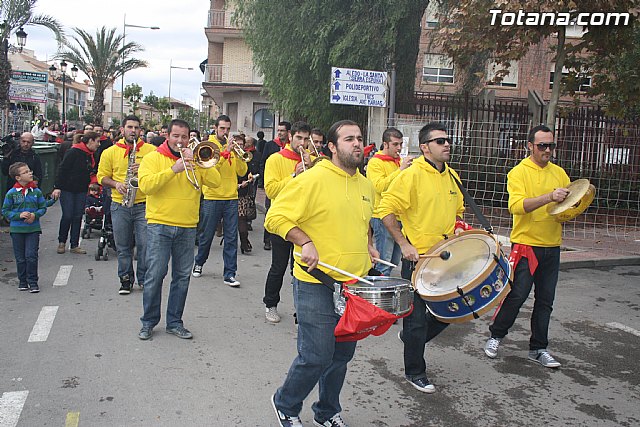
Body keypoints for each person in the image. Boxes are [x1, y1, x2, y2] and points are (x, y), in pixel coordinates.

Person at [267, 119, 377, 427]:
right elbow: (275, 217)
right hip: (315, 281)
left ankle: (327, 411)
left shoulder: (366, 185)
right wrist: (305, 241)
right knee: (316, 355)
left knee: (341, 356)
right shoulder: (312, 179)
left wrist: (368, 245)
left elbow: (363, 222)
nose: (357, 143)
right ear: (331, 146)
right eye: (349, 139)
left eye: (359, 138)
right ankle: (286, 404)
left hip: (353, 284)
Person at [378, 122, 465, 393]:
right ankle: (415, 372)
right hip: (418, 260)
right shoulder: (410, 176)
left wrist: (461, 229)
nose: (447, 144)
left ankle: (413, 339)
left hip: (447, 259)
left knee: (450, 312)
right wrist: (403, 244)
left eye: (448, 140)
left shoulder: (452, 176)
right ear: (425, 147)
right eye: (440, 141)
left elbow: (458, 212)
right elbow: (386, 211)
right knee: (415, 319)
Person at [483, 124, 570, 368]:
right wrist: (549, 198)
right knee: (516, 295)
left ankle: (538, 348)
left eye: (551, 145)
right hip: (527, 245)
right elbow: (517, 206)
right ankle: (496, 336)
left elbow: (566, 208)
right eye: (542, 145)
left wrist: (571, 210)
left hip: (552, 245)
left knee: (546, 300)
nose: (547, 150)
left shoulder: (560, 173)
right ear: (529, 146)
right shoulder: (518, 172)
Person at [137, 119, 221, 340]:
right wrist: (174, 169)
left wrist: (201, 163)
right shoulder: (153, 158)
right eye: (176, 136)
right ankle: (148, 322)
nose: (181, 141)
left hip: (187, 225)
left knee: (182, 277)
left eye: (185, 137)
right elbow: (146, 186)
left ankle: (174, 322)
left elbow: (216, 183)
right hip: (159, 224)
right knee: (155, 275)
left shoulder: (194, 160)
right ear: (168, 136)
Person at [97, 115, 156, 295]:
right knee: (123, 246)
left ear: (140, 131)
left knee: (145, 245)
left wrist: (144, 168)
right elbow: (102, 177)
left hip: (144, 204)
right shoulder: (110, 152)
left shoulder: (151, 151)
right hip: (119, 203)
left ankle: (144, 279)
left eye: (136, 127)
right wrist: (116, 184)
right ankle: (125, 279)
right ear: (122, 130)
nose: (133, 130)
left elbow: (161, 172)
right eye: (129, 127)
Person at [262, 121, 312, 324]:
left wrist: (311, 169)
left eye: (306, 139)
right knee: (278, 266)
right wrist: (295, 174)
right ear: (290, 137)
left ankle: (301, 308)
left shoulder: (313, 160)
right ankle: (270, 304)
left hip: (304, 221)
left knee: (301, 268)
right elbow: (271, 190)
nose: (303, 143)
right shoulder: (275, 159)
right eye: (299, 138)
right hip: (282, 220)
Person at [192, 115, 248, 287]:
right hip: (212, 197)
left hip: (231, 197)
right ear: (215, 128)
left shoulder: (233, 146)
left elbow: (242, 171)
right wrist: (224, 154)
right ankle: (199, 262)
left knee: (231, 237)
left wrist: (237, 155)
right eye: (222, 128)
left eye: (227, 129)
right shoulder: (207, 146)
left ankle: (230, 273)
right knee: (207, 235)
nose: (225, 132)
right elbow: (209, 169)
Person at [366, 127, 413, 275]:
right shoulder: (376, 163)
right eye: (395, 144)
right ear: (385, 144)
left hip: (399, 216)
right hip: (381, 216)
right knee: (383, 262)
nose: (398, 148)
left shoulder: (398, 161)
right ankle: (377, 296)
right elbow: (380, 187)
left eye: (400, 144)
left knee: (393, 261)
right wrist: (400, 171)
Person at [2, 162, 48, 293]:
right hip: (17, 229)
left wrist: (35, 215)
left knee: (31, 255)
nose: (30, 173)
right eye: (26, 172)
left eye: (29, 171)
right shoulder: (11, 193)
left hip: (32, 229)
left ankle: (33, 281)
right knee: (20, 257)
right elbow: (5, 211)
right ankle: (23, 281)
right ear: (18, 177)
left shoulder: (36, 192)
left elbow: (43, 207)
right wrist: (18, 215)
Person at [52, 131, 100, 254]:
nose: (98, 144)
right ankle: (62, 242)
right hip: (68, 188)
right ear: (90, 141)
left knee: (77, 216)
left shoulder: (90, 154)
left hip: (81, 189)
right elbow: (62, 169)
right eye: (97, 141)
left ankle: (74, 244)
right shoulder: (73, 152)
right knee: (67, 215)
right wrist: (57, 186)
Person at [259, 121, 291, 251]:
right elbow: (263, 163)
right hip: (273, 184)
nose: (279, 133)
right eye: (278, 130)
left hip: (288, 186)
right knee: (270, 212)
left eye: (282, 130)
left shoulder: (292, 147)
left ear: (288, 133)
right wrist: (262, 182)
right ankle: (267, 239)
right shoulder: (270, 145)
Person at [237, 136, 261, 251]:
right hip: (226, 194)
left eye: (242, 144)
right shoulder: (226, 155)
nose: (240, 146)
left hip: (242, 193)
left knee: (242, 220)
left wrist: (250, 178)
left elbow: (252, 171)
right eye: (237, 144)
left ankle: (244, 242)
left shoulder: (246, 157)